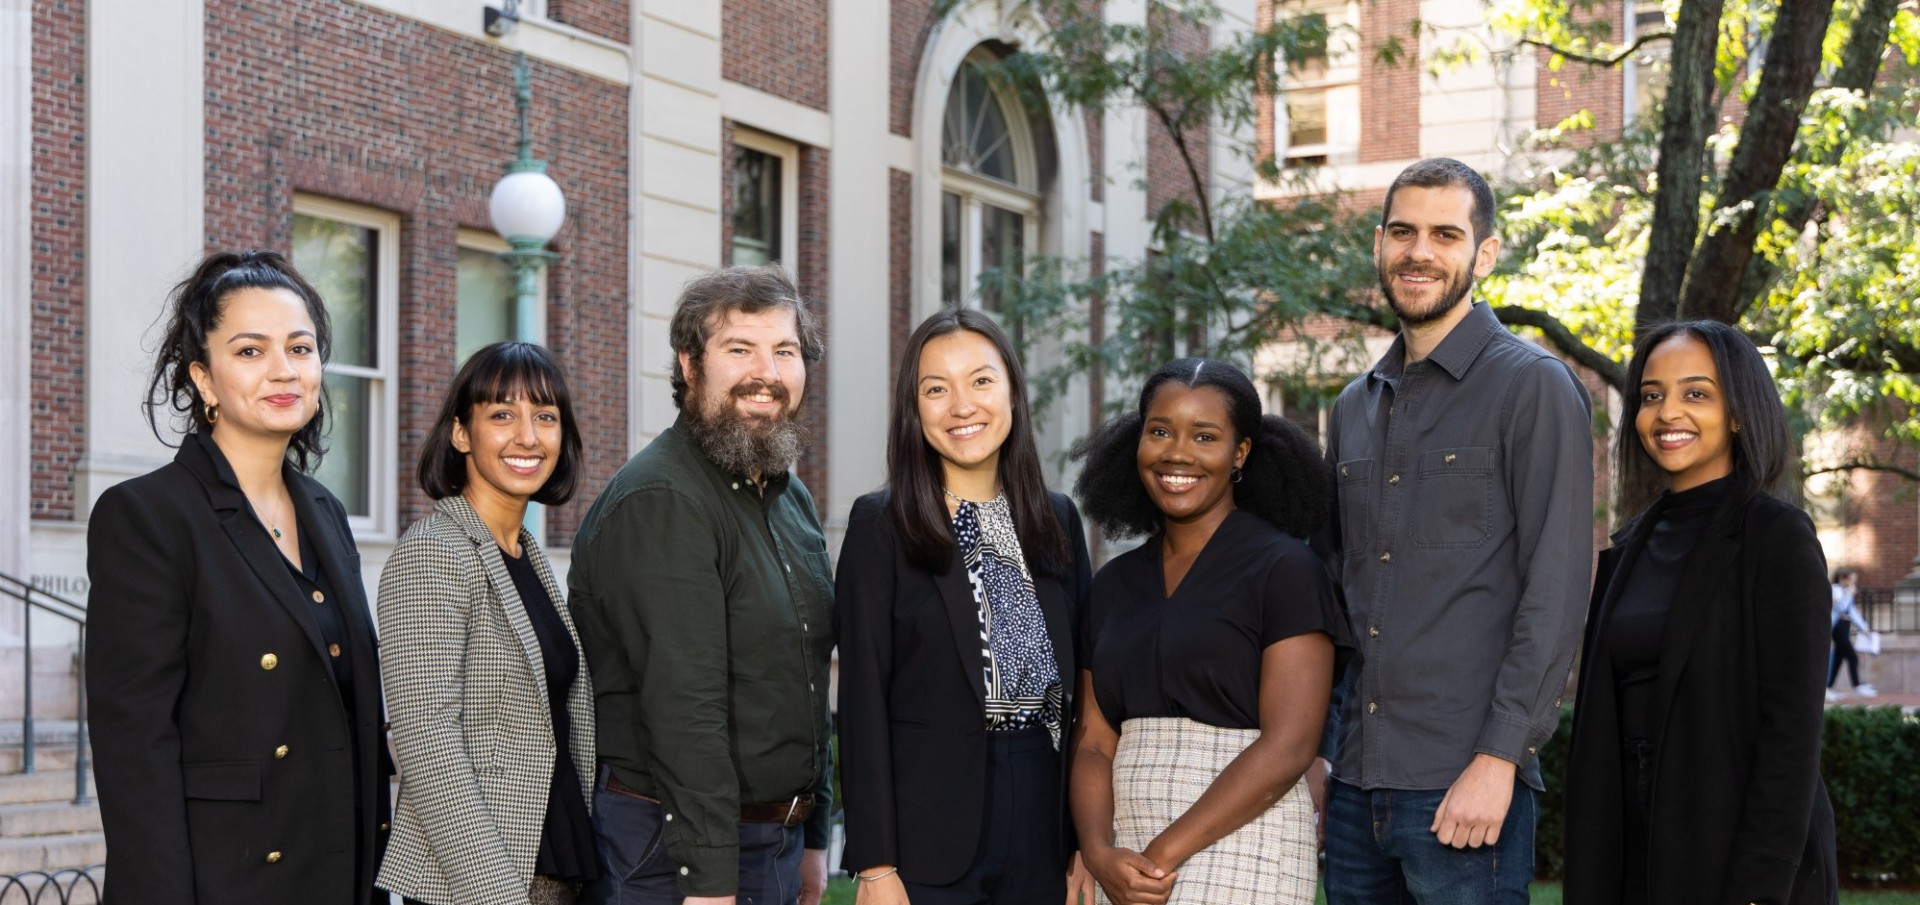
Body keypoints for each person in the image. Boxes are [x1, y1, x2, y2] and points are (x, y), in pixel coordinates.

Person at [1321, 158, 1594, 904]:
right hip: (1354, 785)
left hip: (1464, 785)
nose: (1420, 251)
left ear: (1485, 253)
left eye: (1446, 233)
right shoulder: (1352, 406)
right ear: (1379, 244)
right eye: (1403, 231)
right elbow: (1341, 597)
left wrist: (1500, 757)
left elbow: (1558, 586)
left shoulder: (1532, 387)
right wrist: (1324, 756)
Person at [86, 249, 390, 905]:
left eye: (300, 348)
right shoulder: (147, 516)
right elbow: (136, 752)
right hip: (228, 881)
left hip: (337, 875)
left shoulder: (326, 513)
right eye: (250, 351)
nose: (284, 370)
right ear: (205, 377)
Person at [571, 264, 833, 905]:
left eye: (784, 351)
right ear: (690, 366)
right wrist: (709, 885)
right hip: (675, 852)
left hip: (770, 842)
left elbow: (802, 675)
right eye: (738, 349)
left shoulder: (787, 496)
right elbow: (684, 708)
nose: (765, 372)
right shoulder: (663, 499)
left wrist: (814, 834)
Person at [1563, 320, 1838, 905]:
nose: (1668, 414)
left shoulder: (1777, 538)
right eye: (1652, 396)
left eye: (1696, 393)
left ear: (1737, 412)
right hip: (1634, 847)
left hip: (1736, 856)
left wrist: (1758, 890)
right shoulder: (1629, 547)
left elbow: (1792, 736)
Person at [836, 309, 1095, 905]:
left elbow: (1083, 692)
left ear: (1011, 392)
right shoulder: (881, 524)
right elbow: (861, 702)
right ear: (914, 408)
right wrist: (875, 864)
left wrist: (1081, 839)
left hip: (1040, 818)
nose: (962, 406)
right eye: (936, 389)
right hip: (928, 827)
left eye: (981, 381)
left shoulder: (1056, 519)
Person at [1069, 358, 1347, 905]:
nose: (1178, 453)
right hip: (1125, 847)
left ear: (1240, 452)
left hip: (1246, 839)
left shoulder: (1285, 570)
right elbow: (1095, 744)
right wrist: (1099, 852)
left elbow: (1290, 745)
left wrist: (1161, 854)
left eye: (1205, 436)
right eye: (1160, 431)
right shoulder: (1113, 585)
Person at [376, 341, 598, 905]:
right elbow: (426, 735)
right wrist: (495, 894)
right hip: (482, 884)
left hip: (558, 871)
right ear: (460, 434)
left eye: (544, 416)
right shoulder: (434, 552)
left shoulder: (526, 553)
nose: (527, 436)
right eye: (502, 414)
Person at [1828, 568, 1874, 697]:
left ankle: (1828, 687)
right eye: (1851, 579)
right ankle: (1857, 685)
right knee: (1852, 656)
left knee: (1838, 658)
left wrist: (1864, 628)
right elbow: (1840, 607)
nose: (1854, 582)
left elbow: (1852, 612)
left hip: (1845, 625)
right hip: (1837, 626)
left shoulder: (1845, 592)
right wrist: (1849, 595)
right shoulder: (1835, 589)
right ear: (1843, 578)